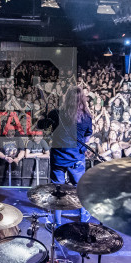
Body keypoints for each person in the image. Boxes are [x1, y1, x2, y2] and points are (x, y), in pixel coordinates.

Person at [48, 86, 93, 225]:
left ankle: (57, 221)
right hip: (76, 157)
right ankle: (83, 215)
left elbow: (47, 129)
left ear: (67, 98)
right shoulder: (86, 117)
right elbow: (88, 135)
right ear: (82, 99)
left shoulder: (56, 113)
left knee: (58, 189)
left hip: (58, 157)